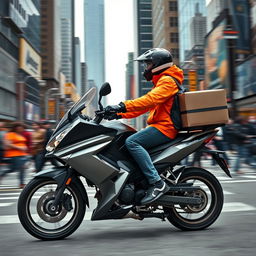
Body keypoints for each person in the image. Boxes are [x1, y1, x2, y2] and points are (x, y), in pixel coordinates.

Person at [104, 48, 184, 204]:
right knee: (124, 141)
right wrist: (117, 114)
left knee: (132, 142)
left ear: (158, 64)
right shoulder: (162, 81)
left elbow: (149, 100)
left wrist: (121, 106)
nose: (146, 68)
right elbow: (145, 108)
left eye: (148, 64)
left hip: (165, 128)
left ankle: (157, 183)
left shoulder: (168, 81)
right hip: (160, 126)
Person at [0, 122, 28, 188]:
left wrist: (24, 148)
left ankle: (21, 183)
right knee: (17, 168)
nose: (22, 129)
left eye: (22, 128)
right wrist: (19, 147)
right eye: (20, 128)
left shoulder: (19, 135)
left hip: (22, 154)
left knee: (17, 168)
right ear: (16, 128)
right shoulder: (10, 134)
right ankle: (21, 183)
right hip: (13, 155)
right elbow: (7, 144)